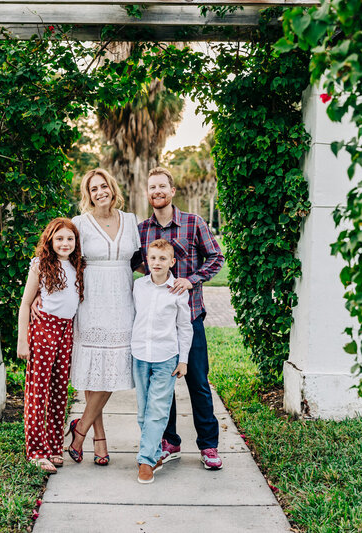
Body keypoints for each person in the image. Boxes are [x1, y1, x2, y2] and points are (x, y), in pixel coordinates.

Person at [137, 166, 225, 470]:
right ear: (147, 193)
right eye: (152, 188)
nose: (157, 192)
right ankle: (169, 441)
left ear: (172, 191)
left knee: (198, 382)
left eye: (162, 186)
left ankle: (209, 446)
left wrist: (192, 279)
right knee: (162, 385)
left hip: (190, 317)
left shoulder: (193, 222)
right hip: (157, 324)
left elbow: (216, 257)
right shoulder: (142, 230)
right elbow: (135, 263)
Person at [65, 168, 140, 465]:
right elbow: (65, 261)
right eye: (93, 189)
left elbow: (139, 260)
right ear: (88, 194)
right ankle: (99, 439)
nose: (100, 192)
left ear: (112, 188)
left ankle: (80, 427)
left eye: (103, 186)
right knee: (94, 369)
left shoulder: (131, 220)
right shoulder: (79, 224)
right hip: (91, 301)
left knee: (114, 367)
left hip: (122, 300)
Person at [17, 218, 85, 474]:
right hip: (44, 328)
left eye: (69, 238)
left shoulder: (77, 265)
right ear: (50, 241)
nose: (65, 243)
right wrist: (22, 340)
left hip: (66, 330)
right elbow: (26, 303)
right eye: (59, 239)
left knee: (59, 390)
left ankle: (55, 446)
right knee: (39, 391)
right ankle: (36, 451)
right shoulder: (42, 265)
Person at [131, 239, 192, 484]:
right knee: (143, 411)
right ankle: (156, 453)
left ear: (172, 262)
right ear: (147, 259)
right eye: (153, 258)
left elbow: (184, 327)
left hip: (166, 356)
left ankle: (145, 461)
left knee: (157, 409)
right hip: (139, 354)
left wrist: (184, 360)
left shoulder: (177, 290)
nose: (157, 263)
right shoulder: (138, 287)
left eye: (163, 259)